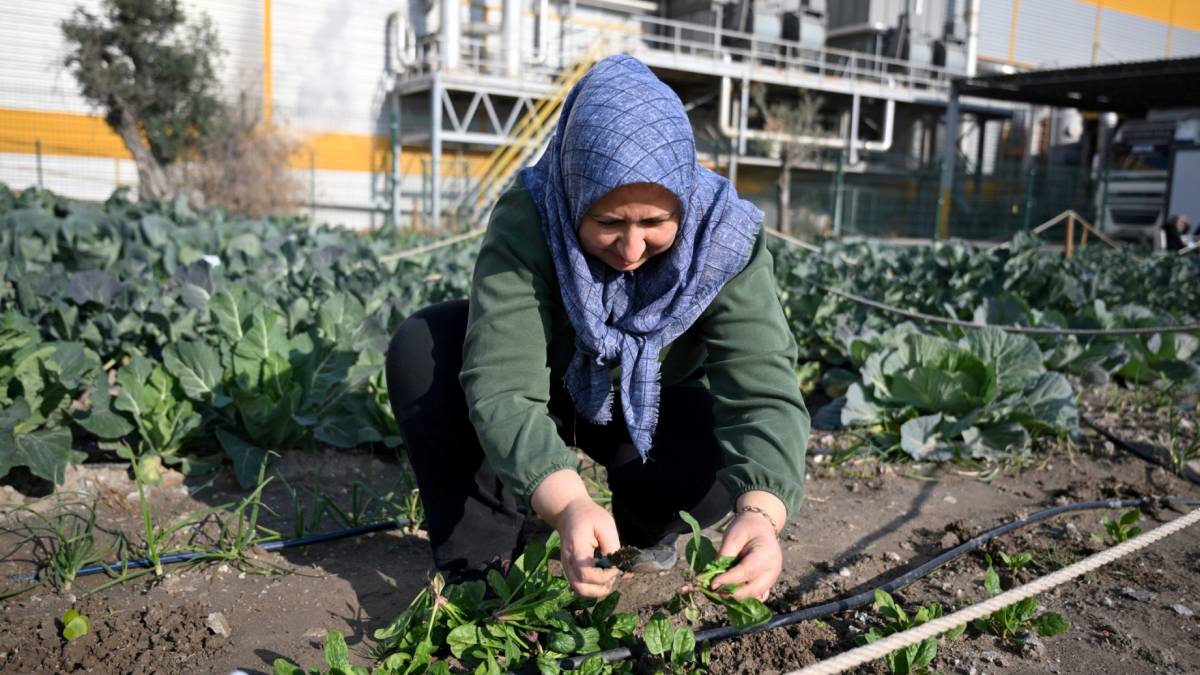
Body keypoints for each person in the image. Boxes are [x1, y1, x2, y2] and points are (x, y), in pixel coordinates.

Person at [385, 55, 809, 602]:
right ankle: (482, 566)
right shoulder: (534, 215)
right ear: (573, 196)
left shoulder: (722, 238)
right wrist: (568, 502)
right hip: (548, 382)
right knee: (425, 347)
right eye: (608, 222)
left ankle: (638, 532)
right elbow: (502, 383)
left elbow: (762, 389)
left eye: (655, 222)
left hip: (652, 404)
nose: (631, 249)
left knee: (706, 448)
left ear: (683, 200)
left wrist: (762, 514)